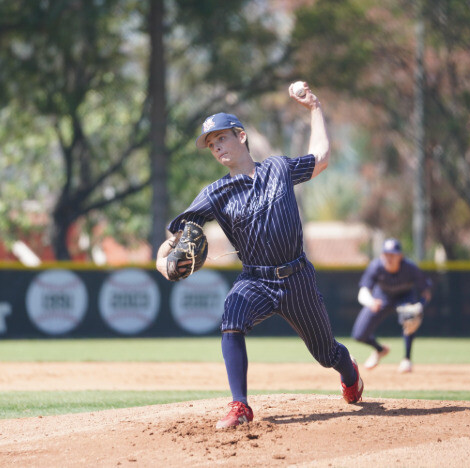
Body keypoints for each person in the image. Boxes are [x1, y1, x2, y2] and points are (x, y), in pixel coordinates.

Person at [155, 82, 363, 429]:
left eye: (221, 138)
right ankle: (240, 405)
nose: (216, 146)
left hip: (297, 278)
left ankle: (350, 373)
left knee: (326, 353)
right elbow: (175, 233)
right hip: (255, 279)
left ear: (241, 136)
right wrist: (163, 262)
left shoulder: (278, 168)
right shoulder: (215, 193)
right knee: (231, 318)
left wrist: (315, 108)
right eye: (211, 143)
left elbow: (322, 158)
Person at [351, 238, 432, 373]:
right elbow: (363, 292)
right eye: (386, 254)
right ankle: (380, 349)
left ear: (400, 256)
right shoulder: (376, 266)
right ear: (382, 255)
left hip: (405, 296)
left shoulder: (410, 268)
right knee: (359, 334)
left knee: (410, 317)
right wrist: (371, 302)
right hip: (382, 297)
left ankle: (407, 359)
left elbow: (426, 292)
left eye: (393, 255)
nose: (389, 258)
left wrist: (420, 306)